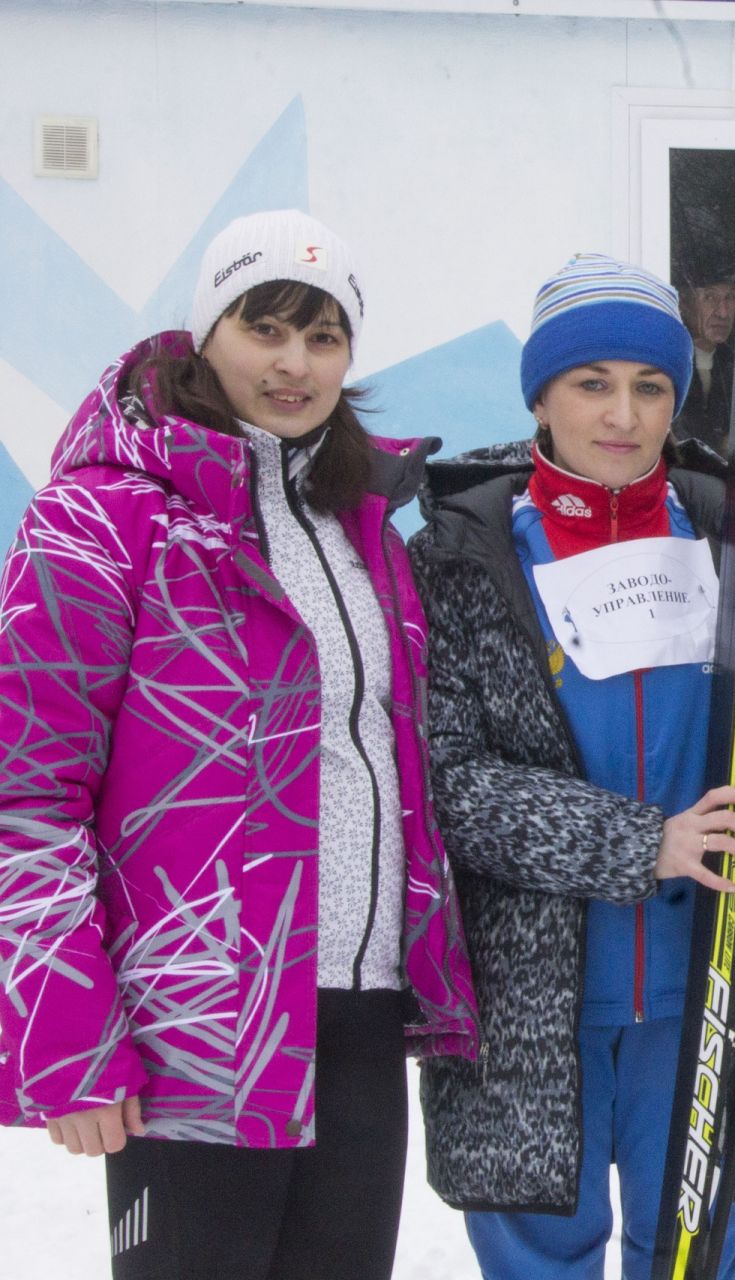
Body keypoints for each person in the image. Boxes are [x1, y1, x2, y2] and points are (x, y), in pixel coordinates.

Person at [0, 209, 478, 1280]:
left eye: (324, 335)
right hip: (194, 1020)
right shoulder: (99, 521)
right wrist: (67, 1035)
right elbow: (25, 797)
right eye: (266, 327)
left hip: (358, 1005)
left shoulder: (361, 524)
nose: (295, 363)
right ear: (209, 331)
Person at [408, 253, 735, 1280]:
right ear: (543, 396)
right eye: (591, 383)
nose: (624, 413)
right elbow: (449, 781)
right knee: (544, 1261)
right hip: (534, 998)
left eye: (650, 385)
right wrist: (639, 840)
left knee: (695, 1253)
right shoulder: (464, 552)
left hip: (709, 981)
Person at [673, 250, 735, 453]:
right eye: (710, 297)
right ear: (685, 302)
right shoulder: (670, 362)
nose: (723, 312)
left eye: (730, 298)